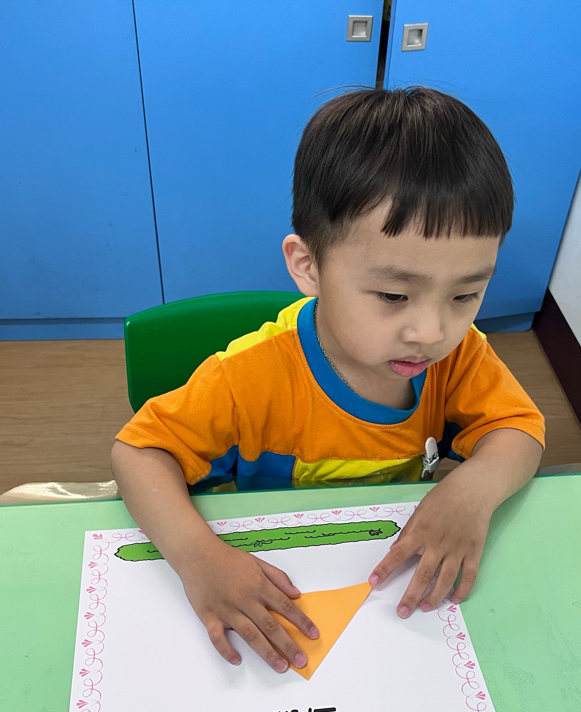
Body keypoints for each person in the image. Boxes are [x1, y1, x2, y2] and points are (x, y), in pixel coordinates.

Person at [110, 86, 545, 674]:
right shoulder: (249, 378)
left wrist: (472, 490)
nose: (430, 331)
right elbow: (137, 452)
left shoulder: (460, 355)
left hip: (382, 583)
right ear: (308, 266)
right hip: (284, 574)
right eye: (393, 295)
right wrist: (197, 557)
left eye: (465, 294)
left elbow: (519, 429)